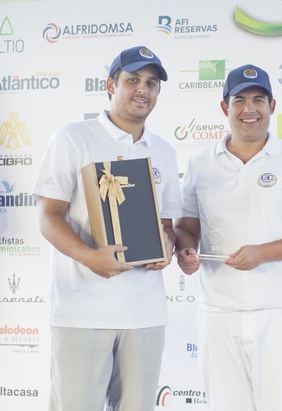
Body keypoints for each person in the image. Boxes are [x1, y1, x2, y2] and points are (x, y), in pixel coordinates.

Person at [174, 64, 282, 411]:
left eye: (259, 100)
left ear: (272, 106)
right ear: (224, 108)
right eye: (240, 101)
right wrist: (186, 250)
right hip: (218, 312)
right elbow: (187, 226)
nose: (250, 110)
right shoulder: (200, 163)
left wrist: (263, 252)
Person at [34, 46, 182, 411]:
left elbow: (167, 226)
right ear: (110, 85)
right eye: (132, 80)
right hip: (81, 311)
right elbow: (48, 216)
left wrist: (167, 246)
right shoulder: (73, 138)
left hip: (145, 315)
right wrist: (89, 257)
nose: (142, 90)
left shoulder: (163, 150)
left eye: (151, 83)